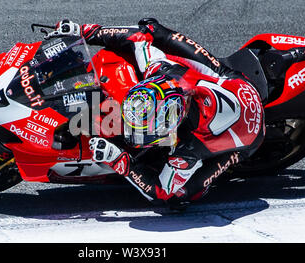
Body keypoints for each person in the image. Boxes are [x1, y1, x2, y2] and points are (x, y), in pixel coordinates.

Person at [51, 19, 265, 210]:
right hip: (232, 83)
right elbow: (137, 37)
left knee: (179, 196)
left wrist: (118, 160)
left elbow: (162, 192)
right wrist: (84, 31)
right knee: (152, 28)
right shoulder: (160, 70)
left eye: (144, 131)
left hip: (251, 134)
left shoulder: (187, 150)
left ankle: (231, 162)